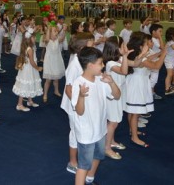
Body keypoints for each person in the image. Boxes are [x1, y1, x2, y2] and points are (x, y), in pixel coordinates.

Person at [71, 47, 120, 185]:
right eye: (100, 63)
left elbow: (117, 96)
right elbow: (79, 111)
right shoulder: (78, 83)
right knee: (84, 165)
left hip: (100, 130)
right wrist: (81, 96)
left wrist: (111, 82)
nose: (103, 66)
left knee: (98, 155)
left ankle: (90, 179)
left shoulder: (100, 79)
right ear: (90, 65)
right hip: (86, 133)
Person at [61, 32, 94, 175]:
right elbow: (68, 88)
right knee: (75, 132)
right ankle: (72, 162)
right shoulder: (74, 64)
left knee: (81, 130)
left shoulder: (82, 60)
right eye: (91, 43)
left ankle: (82, 155)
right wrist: (76, 105)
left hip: (81, 102)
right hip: (74, 105)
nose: (94, 45)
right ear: (82, 47)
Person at [126, 32, 166, 147]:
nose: (148, 45)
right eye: (146, 43)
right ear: (140, 46)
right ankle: (134, 137)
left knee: (132, 110)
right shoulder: (140, 57)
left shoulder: (137, 54)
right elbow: (156, 66)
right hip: (137, 84)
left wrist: (159, 53)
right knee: (135, 112)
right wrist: (163, 54)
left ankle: (132, 130)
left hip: (136, 82)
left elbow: (149, 58)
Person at [103, 36, 132, 160]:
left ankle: (112, 141)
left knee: (115, 120)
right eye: (122, 46)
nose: (125, 47)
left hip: (118, 92)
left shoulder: (118, 59)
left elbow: (134, 64)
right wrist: (125, 56)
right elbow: (124, 71)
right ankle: (107, 148)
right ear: (116, 48)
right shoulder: (110, 63)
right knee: (113, 122)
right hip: (113, 94)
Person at [13, 29, 43, 111]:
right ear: (30, 38)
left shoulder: (29, 47)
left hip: (29, 69)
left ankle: (30, 101)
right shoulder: (30, 49)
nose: (35, 39)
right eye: (34, 37)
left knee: (30, 83)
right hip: (29, 69)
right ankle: (19, 104)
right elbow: (32, 62)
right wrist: (38, 68)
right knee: (25, 84)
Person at [42, 24, 66, 102]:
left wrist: (64, 30)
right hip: (49, 61)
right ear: (49, 33)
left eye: (56, 31)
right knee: (48, 80)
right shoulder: (47, 40)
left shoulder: (57, 39)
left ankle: (56, 90)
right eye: (54, 31)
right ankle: (45, 94)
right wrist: (49, 29)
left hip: (56, 60)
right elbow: (47, 38)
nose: (56, 32)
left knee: (56, 78)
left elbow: (62, 38)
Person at [164, 27, 174, 95]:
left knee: (171, 73)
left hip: (172, 60)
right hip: (168, 60)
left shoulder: (172, 41)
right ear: (172, 35)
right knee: (170, 74)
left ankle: (169, 86)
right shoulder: (171, 43)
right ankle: (167, 89)